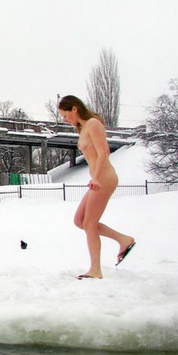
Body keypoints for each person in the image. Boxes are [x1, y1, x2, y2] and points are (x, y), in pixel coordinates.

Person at [58, 95, 136, 279]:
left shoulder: (93, 123)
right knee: (80, 221)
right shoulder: (84, 128)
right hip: (99, 179)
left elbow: (104, 152)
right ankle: (123, 240)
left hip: (105, 179)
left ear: (74, 109)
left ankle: (95, 270)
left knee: (90, 224)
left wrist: (98, 178)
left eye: (65, 115)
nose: (64, 119)